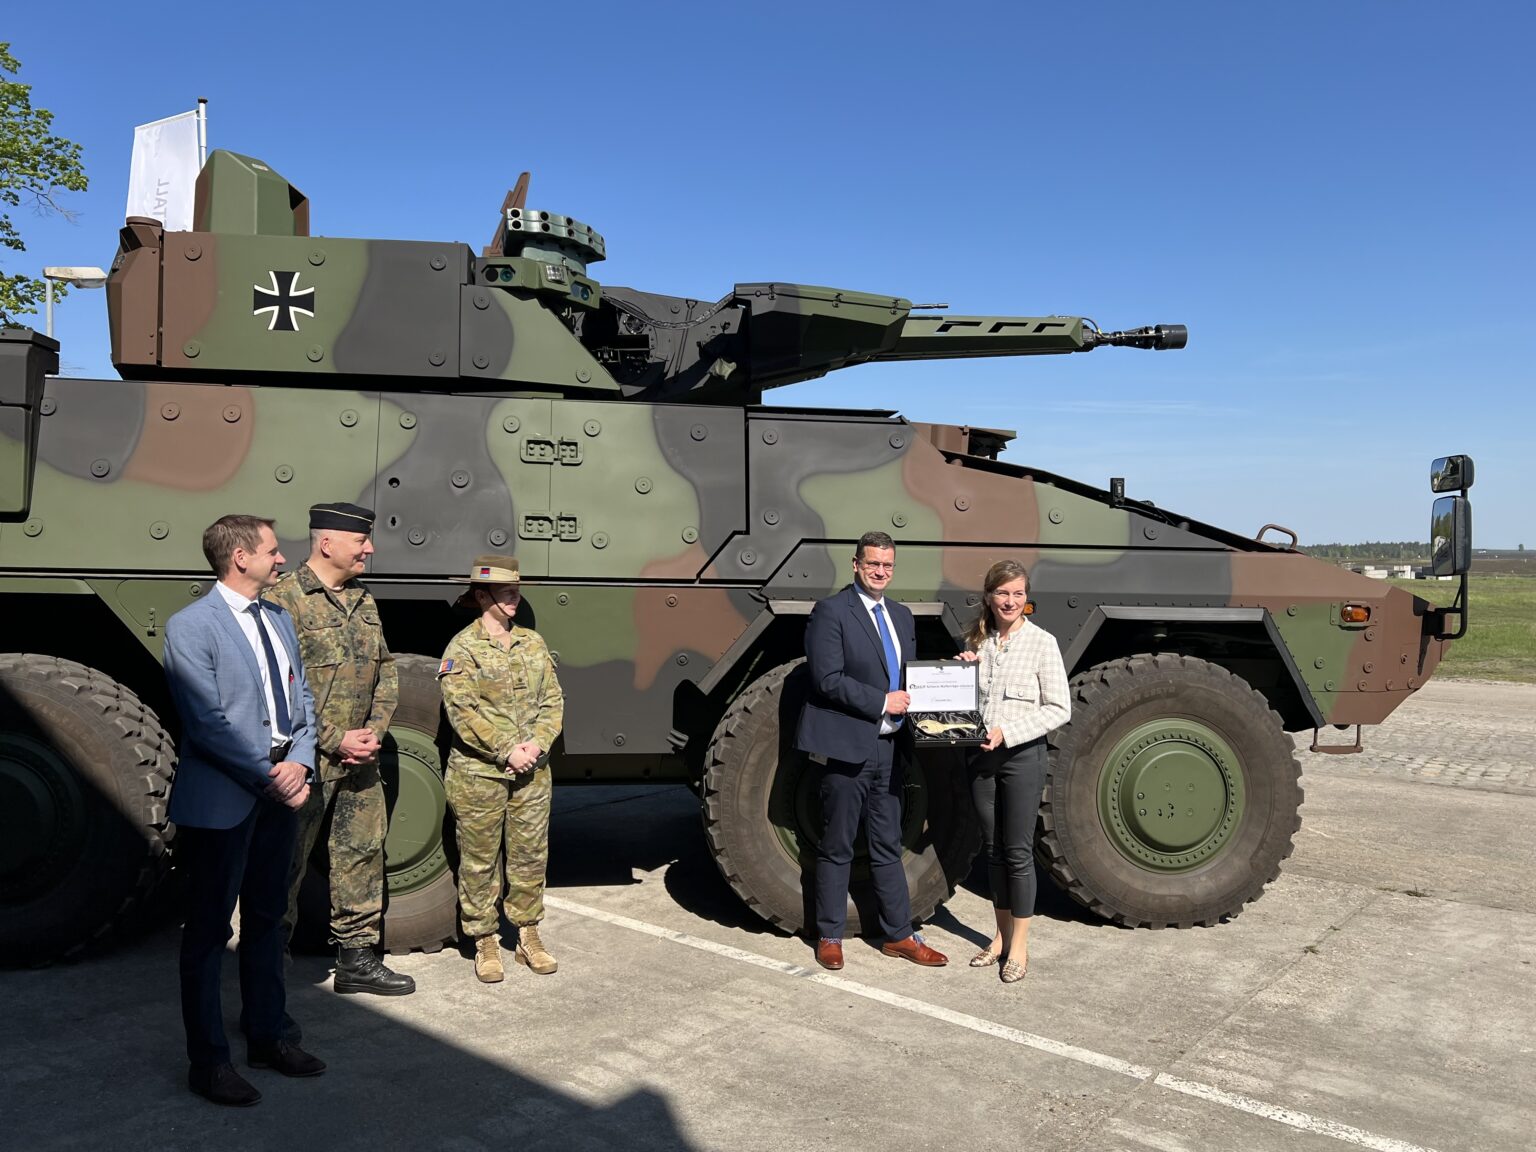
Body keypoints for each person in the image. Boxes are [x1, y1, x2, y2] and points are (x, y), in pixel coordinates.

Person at [162, 514, 325, 1107]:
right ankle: (208, 1064)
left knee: (266, 920)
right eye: (273, 551)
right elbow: (206, 723)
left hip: (279, 791)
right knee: (208, 932)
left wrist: (300, 762)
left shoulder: (278, 619)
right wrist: (269, 777)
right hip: (227, 801)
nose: (282, 560)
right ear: (240, 557)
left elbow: (301, 698)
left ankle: (268, 1036)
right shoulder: (191, 627)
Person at [267, 502, 414, 997]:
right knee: (284, 864)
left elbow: (386, 670)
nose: (369, 549)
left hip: (359, 761)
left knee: (361, 855)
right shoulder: (284, 601)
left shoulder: (362, 600)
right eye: (360, 541)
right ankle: (268, 970)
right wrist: (335, 738)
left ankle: (357, 960)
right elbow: (279, 690)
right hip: (303, 762)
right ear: (327, 543)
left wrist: (372, 733)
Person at [795, 531, 948, 971]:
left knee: (887, 845)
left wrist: (950, 677)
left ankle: (899, 935)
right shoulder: (831, 611)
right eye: (873, 564)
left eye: (887, 565)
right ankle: (829, 935)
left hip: (890, 749)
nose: (880, 571)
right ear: (856, 564)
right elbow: (826, 679)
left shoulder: (900, 615)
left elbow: (908, 679)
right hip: (846, 748)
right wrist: (881, 701)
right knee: (837, 844)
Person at [437, 555, 564, 983]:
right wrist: (508, 750)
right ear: (481, 596)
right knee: (479, 861)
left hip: (532, 773)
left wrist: (538, 744)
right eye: (505, 592)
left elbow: (553, 700)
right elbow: (462, 712)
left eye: (516, 591)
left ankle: (528, 934)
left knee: (530, 856)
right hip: (479, 775)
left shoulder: (533, 643)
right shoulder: (462, 648)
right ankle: (485, 940)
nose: (514, 598)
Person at [956, 560, 1071, 983]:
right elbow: (967, 707)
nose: (1010, 601)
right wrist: (962, 673)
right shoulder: (977, 642)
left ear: (1027, 597)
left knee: (1019, 853)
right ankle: (1000, 937)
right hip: (981, 759)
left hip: (1022, 758)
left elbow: (1059, 708)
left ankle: (1019, 946)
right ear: (989, 597)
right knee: (993, 851)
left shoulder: (1042, 643)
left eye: (1018, 594)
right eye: (1003, 593)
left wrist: (1009, 732)